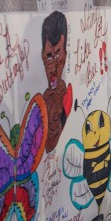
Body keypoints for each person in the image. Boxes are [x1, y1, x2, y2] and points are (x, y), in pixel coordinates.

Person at [41, 10, 73, 152]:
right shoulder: (40, 101)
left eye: (58, 54)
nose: (53, 67)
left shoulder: (67, 97)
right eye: (49, 56)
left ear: (65, 54)